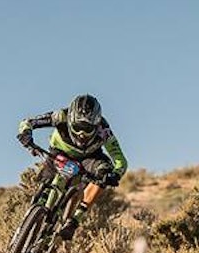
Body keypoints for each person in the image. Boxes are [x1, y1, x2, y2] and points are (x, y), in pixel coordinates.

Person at [17, 93, 128, 240]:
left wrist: (115, 175)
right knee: (45, 184)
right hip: (60, 151)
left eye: (88, 128)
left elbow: (120, 161)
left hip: (89, 158)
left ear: (96, 125)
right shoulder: (60, 116)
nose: (82, 134)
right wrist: (26, 133)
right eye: (78, 127)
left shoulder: (104, 130)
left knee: (104, 173)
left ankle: (74, 221)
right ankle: (31, 216)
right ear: (70, 120)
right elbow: (28, 122)